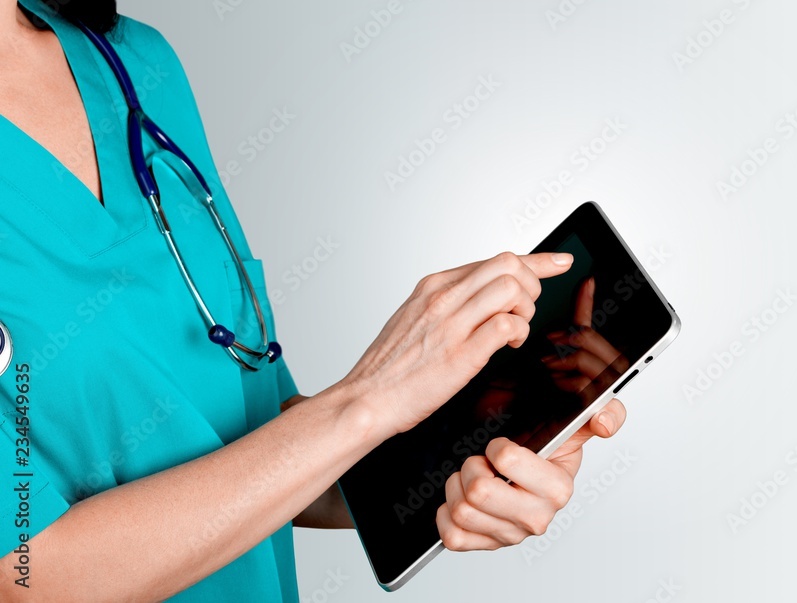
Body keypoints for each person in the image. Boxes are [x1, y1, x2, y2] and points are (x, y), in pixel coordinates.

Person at [0, 1, 628, 600]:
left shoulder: (133, 63)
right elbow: (28, 574)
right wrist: (368, 401)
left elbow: (267, 450)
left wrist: (480, 450)